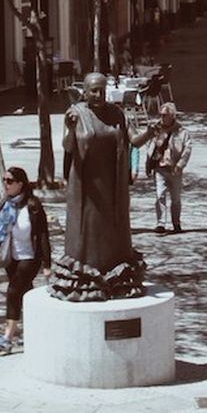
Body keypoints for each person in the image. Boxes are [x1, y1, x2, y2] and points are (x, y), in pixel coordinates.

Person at [53, 72, 145, 302]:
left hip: (111, 183)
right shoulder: (76, 113)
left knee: (113, 229)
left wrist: (154, 130)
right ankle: (84, 280)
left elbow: (134, 140)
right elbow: (68, 146)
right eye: (93, 90)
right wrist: (70, 129)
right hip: (86, 186)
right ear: (85, 90)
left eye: (102, 90)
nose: (98, 94)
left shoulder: (116, 113)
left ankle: (115, 277)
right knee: (87, 231)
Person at [0, 166, 50, 354]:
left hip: (29, 257)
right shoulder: (4, 205)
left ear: (21, 183)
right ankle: (38, 331)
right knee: (26, 294)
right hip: (11, 257)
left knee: (13, 292)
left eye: (10, 181)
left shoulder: (33, 206)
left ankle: (7, 338)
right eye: (4, 180)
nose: (6, 184)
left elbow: (43, 235)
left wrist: (47, 264)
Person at [132, 102, 193, 234]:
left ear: (172, 115)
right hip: (160, 168)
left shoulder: (182, 132)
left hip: (174, 169)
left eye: (165, 115)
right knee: (160, 195)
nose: (162, 117)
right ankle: (160, 223)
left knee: (176, 199)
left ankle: (176, 223)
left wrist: (180, 165)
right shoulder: (156, 129)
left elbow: (187, 150)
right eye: (161, 114)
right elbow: (150, 147)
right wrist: (148, 164)